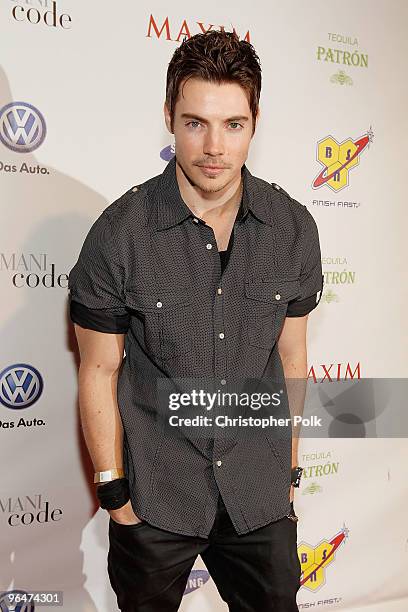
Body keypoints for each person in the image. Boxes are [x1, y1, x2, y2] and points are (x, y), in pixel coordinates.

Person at [68, 30, 323, 612]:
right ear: (168, 118)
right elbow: (98, 371)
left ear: (255, 122)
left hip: (258, 494)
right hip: (156, 494)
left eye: (233, 124)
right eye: (194, 123)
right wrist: (115, 496)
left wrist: (287, 471)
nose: (214, 146)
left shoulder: (293, 229)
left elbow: (292, 358)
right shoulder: (121, 232)